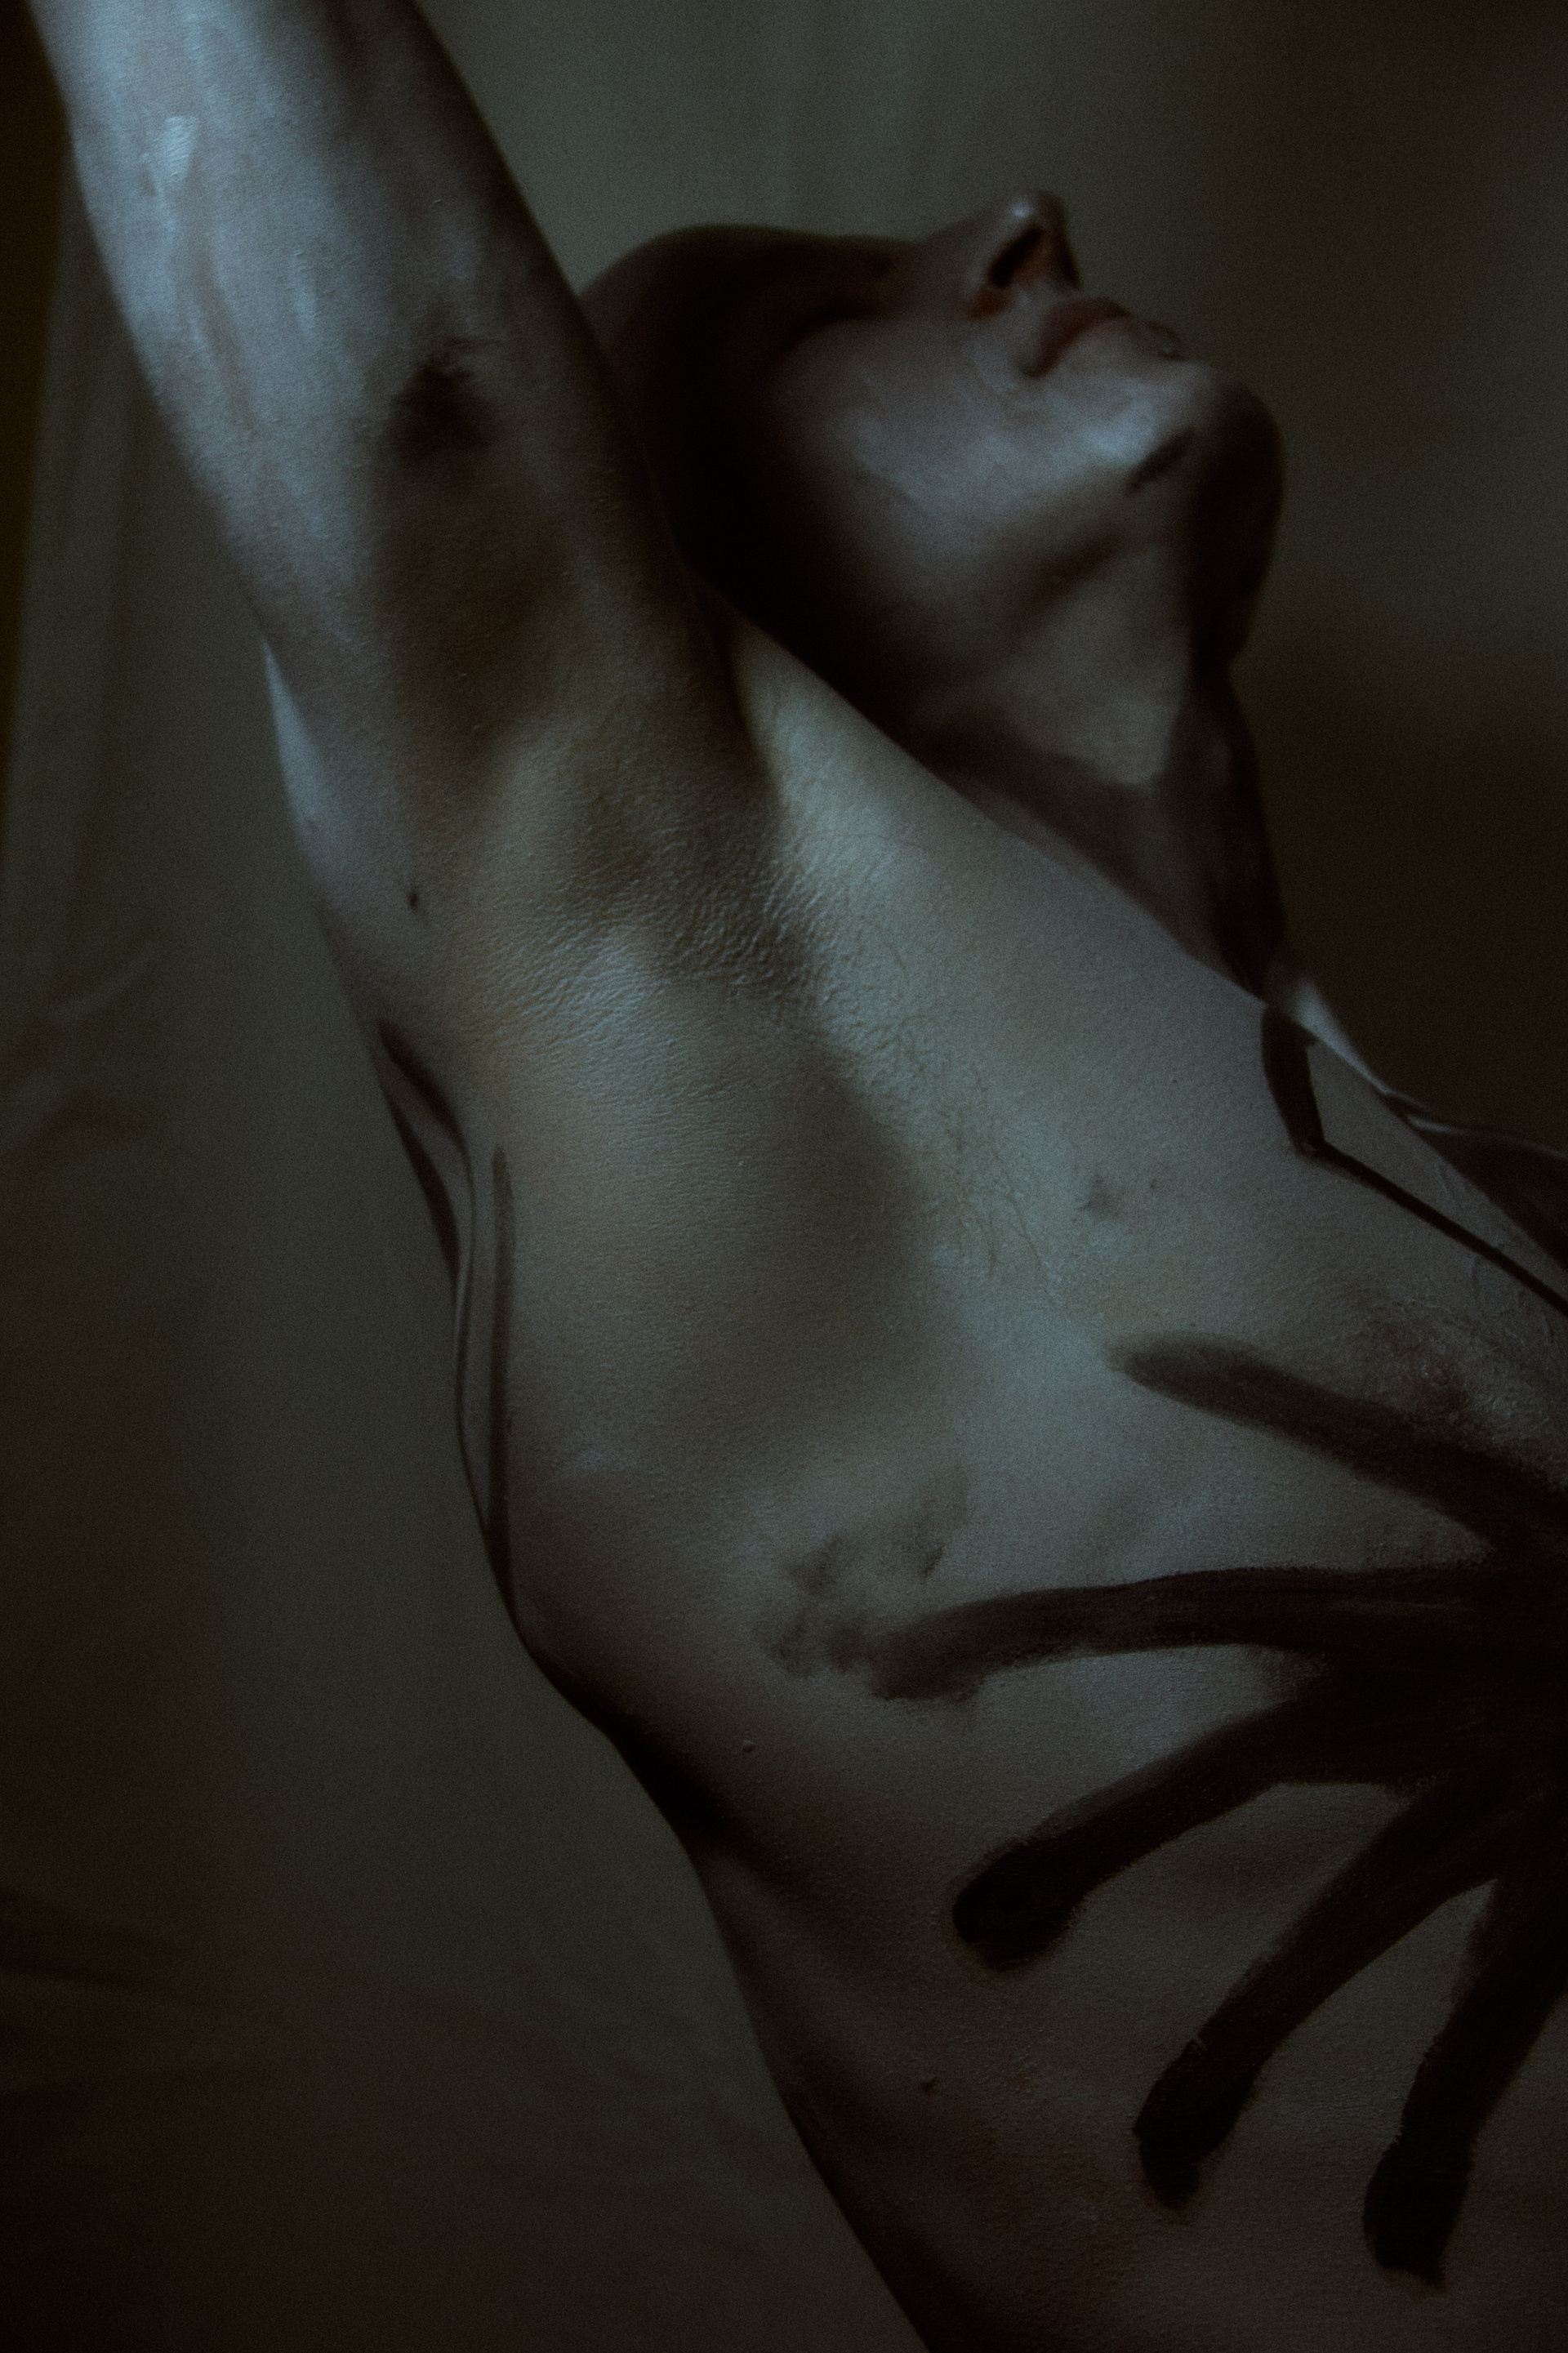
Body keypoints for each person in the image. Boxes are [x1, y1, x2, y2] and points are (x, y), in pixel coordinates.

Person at [29, 2, 1566, 2346]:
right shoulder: (709, 1031)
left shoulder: (1478, 1207)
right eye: (818, 321)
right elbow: (418, 398)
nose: (1023, 219)